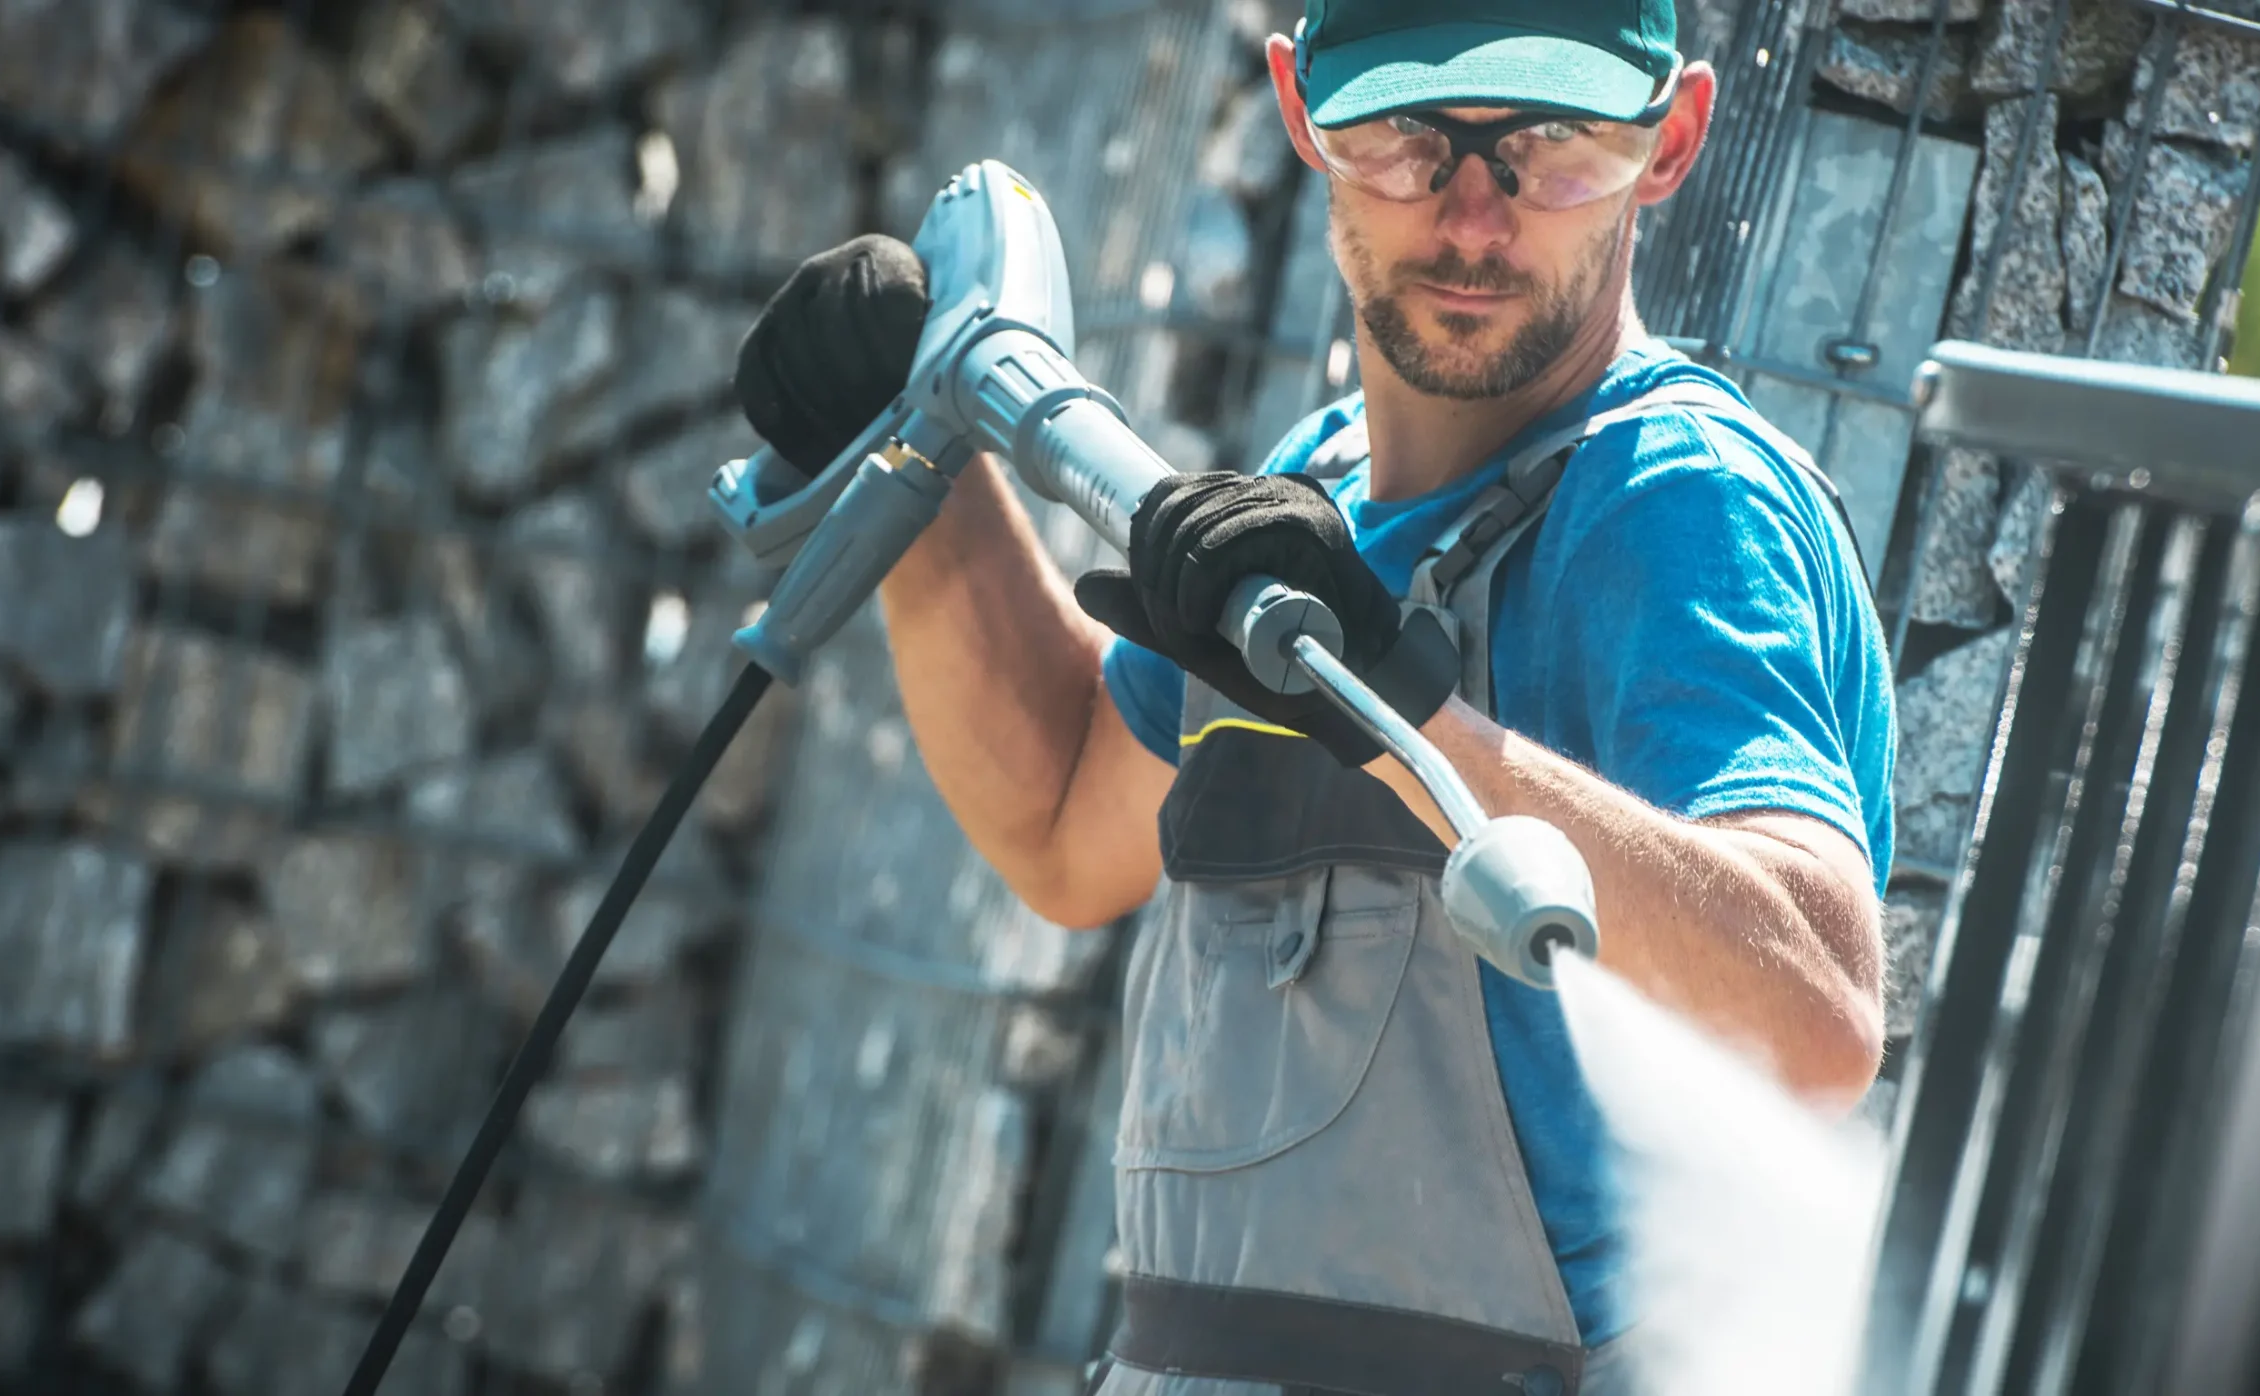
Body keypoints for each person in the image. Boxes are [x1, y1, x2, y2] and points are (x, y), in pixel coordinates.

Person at [729, 0, 1895, 1389]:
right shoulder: (1323, 483)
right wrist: (921, 453)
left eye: (1551, 145)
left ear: (1673, 140)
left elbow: (1816, 1016)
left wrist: (1404, 715)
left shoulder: (1670, 503)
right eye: (1409, 139)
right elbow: (1061, 819)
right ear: (1300, 112)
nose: (1474, 215)